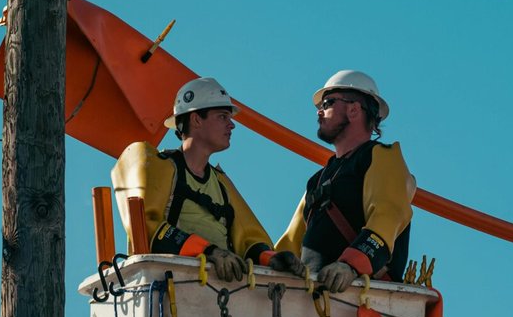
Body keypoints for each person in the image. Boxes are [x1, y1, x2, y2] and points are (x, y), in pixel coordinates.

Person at [111, 77, 304, 282]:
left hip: (218, 294)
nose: (231, 125)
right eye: (222, 117)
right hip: (171, 288)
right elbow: (149, 226)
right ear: (196, 119)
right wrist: (210, 252)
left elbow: (250, 239)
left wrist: (272, 259)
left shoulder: (221, 184)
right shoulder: (162, 167)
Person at [275, 70, 414, 292]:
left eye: (328, 103)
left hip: (362, 295)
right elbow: (291, 241)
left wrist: (350, 265)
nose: (319, 112)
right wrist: (268, 261)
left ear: (354, 109)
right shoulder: (318, 180)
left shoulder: (380, 156)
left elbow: (388, 214)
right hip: (310, 296)